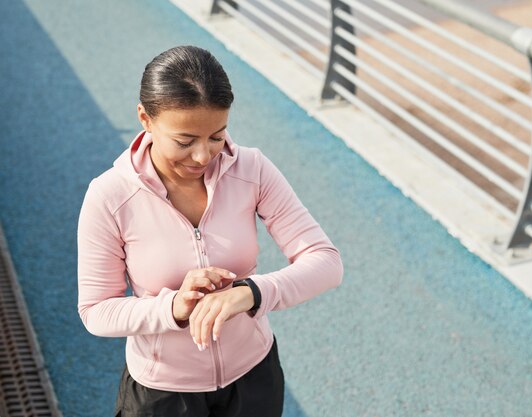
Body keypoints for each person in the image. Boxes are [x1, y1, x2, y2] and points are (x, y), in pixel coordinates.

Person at [77, 45, 343, 417]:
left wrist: (250, 293)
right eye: (185, 141)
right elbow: (96, 311)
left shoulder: (252, 169)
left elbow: (326, 262)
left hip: (254, 377)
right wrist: (173, 307)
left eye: (217, 136)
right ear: (145, 119)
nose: (203, 156)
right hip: (163, 393)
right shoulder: (110, 196)